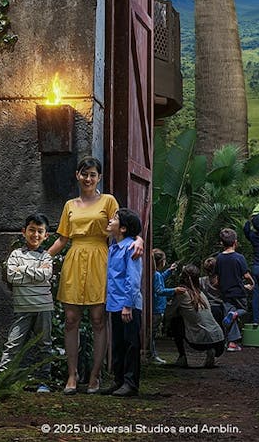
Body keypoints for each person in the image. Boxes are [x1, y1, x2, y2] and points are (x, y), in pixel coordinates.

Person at [50, 157, 119, 395]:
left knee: (98, 319)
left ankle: (95, 375)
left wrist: (138, 241)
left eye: (93, 174)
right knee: (71, 319)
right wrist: (42, 258)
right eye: (84, 174)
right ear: (77, 176)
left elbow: (120, 230)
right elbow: (62, 238)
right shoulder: (70, 205)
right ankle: (72, 374)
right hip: (75, 257)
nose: (88, 179)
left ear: (99, 177)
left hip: (100, 256)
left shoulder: (108, 201)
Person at [0, 213, 59, 392]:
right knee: (12, 345)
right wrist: (34, 272)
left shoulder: (46, 257)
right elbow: (11, 276)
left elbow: (45, 275)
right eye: (32, 230)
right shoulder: (16, 254)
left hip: (44, 308)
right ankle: (0, 381)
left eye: (40, 231)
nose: (36, 235)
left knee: (44, 345)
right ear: (24, 232)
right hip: (22, 308)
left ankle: (43, 383)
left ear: (46, 235)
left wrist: (22, 270)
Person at [104, 207, 144, 396]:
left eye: (115, 219)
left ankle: (130, 383)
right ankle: (119, 380)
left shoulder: (131, 248)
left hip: (129, 305)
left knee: (131, 344)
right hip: (115, 303)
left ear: (123, 229)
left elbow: (133, 279)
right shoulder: (113, 247)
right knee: (118, 344)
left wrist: (127, 304)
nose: (110, 220)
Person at [165, 263, 226, 368]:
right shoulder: (201, 294)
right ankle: (211, 351)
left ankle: (182, 357)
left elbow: (168, 313)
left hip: (200, 342)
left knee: (175, 321)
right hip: (219, 340)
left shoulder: (182, 294)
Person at [214, 227, 254, 351]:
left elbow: (217, 277)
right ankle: (235, 314)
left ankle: (232, 343)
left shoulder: (219, 258)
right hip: (239, 291)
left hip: (225, 292)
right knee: (242, 310)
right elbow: (246, 275)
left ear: (222, 243)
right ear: (235, 242)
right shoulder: (239, 257)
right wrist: (252, 283)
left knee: (230, 316)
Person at [149, 249, 176, 364]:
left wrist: (169, 271)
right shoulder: (156, 274)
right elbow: (159, 290)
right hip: (157, 309)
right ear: (160, 262)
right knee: (152, 334)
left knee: (151, 334)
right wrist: (175, 290)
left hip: (155, 307)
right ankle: (152, 355)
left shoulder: (154, 274)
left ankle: (153, 355)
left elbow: (159, 281)